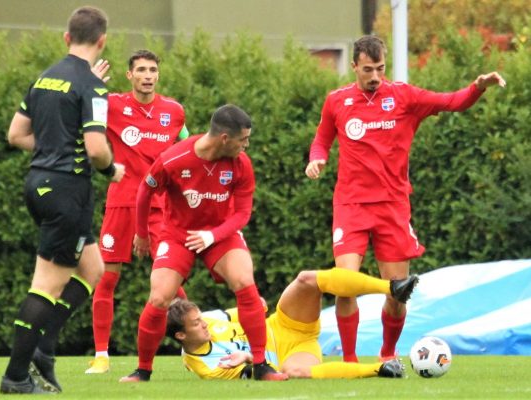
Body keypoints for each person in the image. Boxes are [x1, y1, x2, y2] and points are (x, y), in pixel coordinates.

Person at [305, 35, 506, 363]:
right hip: (351, 205)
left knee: (398, 289)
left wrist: (477, 87)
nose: (374, 76)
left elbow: (451, 101)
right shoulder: (336, 101)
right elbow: (321, 140)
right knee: (345, 285)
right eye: (367, 69)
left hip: (392, 205)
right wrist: (317, 159)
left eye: (380, 68)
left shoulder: (404, 97)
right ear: (354, 66)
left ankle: (387, 355)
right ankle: (350, 361)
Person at [0, 6, 124, 394]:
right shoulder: (92, 86)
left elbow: (16, 135)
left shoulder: (44, 78)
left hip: (38, 185)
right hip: (67, 191)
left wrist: (54, 145)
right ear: (102, 41)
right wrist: (111, 170)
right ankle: (16, 377)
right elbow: (96, 148)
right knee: (46, 286)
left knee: (93, 268)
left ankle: (44, 349)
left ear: (66, 38)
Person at [120, 104, 288, 382]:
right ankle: (143, 370)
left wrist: (213, 235)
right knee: (159, 297)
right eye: (243, 139)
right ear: (225, 138)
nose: (246, 145)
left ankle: (261, 366)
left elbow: (243, 214)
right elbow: (144, 191)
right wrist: (141, 233)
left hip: (220, 233)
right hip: (178, 235)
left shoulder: (241, 164)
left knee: (245, 281)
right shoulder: (174, 159)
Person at [85, 50, 190, 374]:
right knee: (106, 278)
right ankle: (102, 355)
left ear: (158, 75)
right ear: (129, 75)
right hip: (121, 203)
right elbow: (85, 114)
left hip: (160, 207)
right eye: (141, 70)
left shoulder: (173, 111)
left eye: (152, 70)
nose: (147, 75)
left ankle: (192, 350)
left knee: (170, 281)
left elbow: (187, 148)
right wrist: (89, 83)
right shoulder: (113, 104)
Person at [166, 268, 418, 380]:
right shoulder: (206, 368)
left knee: (306, 279)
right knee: (296, 373)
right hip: (289, 355)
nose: (205, 324)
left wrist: (255, 304)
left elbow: (253, 310)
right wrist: (248, 359)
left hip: (283, 323)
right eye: (197, 324)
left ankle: (392, 288)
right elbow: (262, 374)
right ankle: (382, 369)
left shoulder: (210, 319)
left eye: (201, 318)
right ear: (180, 335)